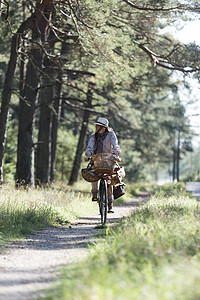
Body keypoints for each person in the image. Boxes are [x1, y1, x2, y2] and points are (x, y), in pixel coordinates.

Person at [85, 117, 121, 213]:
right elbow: (90, 147)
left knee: (110, 179)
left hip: (108, 159)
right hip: (96, 159)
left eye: (98, 126)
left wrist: (116, 152)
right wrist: (88, 155)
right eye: (96, 125)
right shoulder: (93, 136)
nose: (96, 127)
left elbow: (115, 144)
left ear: (103, 128)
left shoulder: (111, 134)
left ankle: (110, 203)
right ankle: (95, 193)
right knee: (93, 173)